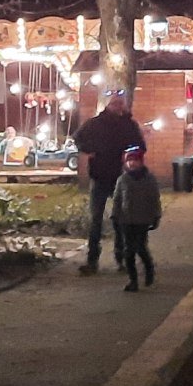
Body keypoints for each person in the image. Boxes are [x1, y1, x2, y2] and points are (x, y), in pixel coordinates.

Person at [75, 90, 147, 275]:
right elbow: (78, 137)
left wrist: (131, 158)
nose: (118, 107)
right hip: (100, 175)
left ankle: (121, 258)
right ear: (108, 105)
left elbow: (140, 146)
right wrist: (89, 150)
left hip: (121, 177)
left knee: (121, 220)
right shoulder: (96, 124)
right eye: (115, 103)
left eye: (120, 103)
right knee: (96, 220)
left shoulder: (129, 125)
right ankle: (93, 259)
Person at [111, 146, 161, 291]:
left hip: (142, 219)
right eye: (129, 160)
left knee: (140, 247)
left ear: (141, 162)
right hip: (126, 219)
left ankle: (149, 270)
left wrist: (156, 216)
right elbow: (117, 198)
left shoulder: (149, 179)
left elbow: (154, 198)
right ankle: (133, 280)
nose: (132, 163)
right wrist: (115, 215)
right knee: (129, 251)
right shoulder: (123, 179)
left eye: (135, 160)